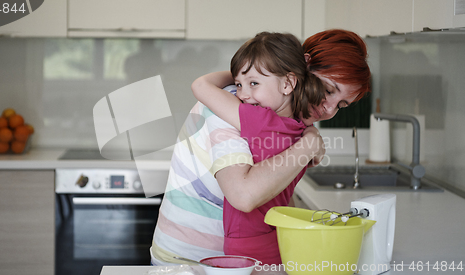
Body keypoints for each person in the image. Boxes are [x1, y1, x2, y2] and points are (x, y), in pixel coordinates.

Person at [150, 29, 371, 266]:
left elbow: (277, 194)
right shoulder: (233, 105)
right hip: (189, 261)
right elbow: (243, 196)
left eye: (341, 105)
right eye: (328, 90)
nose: (329, 109)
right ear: (302, 67)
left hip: (240, 261)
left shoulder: (288, 118)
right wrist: (309, 144)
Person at [190, 32, 324, 264]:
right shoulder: (302, 128)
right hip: (276, 232)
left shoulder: (259, 119)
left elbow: (201, 85)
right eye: (239, 84)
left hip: (247, 241)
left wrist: (234, 74)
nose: (241, 94)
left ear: (288, 83)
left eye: (254, 83)